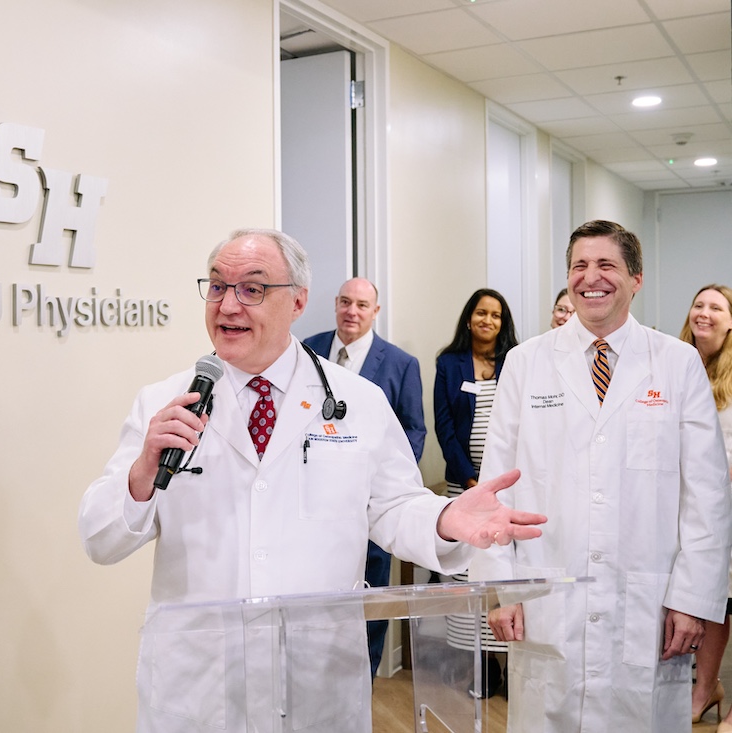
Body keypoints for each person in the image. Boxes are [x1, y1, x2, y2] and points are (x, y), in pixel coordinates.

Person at [79, 227, 546, 733]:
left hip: (317, 682)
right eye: (216, 286)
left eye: (252, 288)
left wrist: (446, 520)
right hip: (199, 685)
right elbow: (100, 538)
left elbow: (395, 507)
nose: (228, 305)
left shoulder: (358, 400)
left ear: (298, 301)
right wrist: (142, 472)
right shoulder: (164, 403)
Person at [470, 220, 732, 733]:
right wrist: (501, 587)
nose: (592, 277)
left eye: (607, 264)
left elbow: (707, 495)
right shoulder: (525, 363)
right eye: (580, 266)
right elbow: (493, 488)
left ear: (636, 278)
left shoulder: (676, 364)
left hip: (649, 604)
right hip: (546, 599)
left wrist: (692, 598)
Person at [303, 277, 427, 679]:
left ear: (375, 312)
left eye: (361, 305)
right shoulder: (306, 349)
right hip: (312, 507)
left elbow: (413, 432)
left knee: (371, 600)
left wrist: (376, 485)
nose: (351, 312)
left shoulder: (399, 364)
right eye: (344, 302)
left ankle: (366, 679)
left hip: (369, 505)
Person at [433, 288, 519, 696]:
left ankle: (511, 662)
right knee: (469, 575)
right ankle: (482, 667)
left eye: (496, 315)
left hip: (511, 488)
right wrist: (471, 481)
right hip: (465, 489)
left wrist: (500, 485)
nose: (488, 320)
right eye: (481, 313)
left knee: (506, 572)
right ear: (469, 318)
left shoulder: (516, 361)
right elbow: (445, 428)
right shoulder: (448, 364)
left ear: (504, 324)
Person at [679, 285, 732, 730]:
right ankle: (704, 688)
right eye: (699, 304)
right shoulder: (673, 364)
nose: (705, 313)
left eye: (716, 307)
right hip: (685, 509)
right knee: (711, 604)